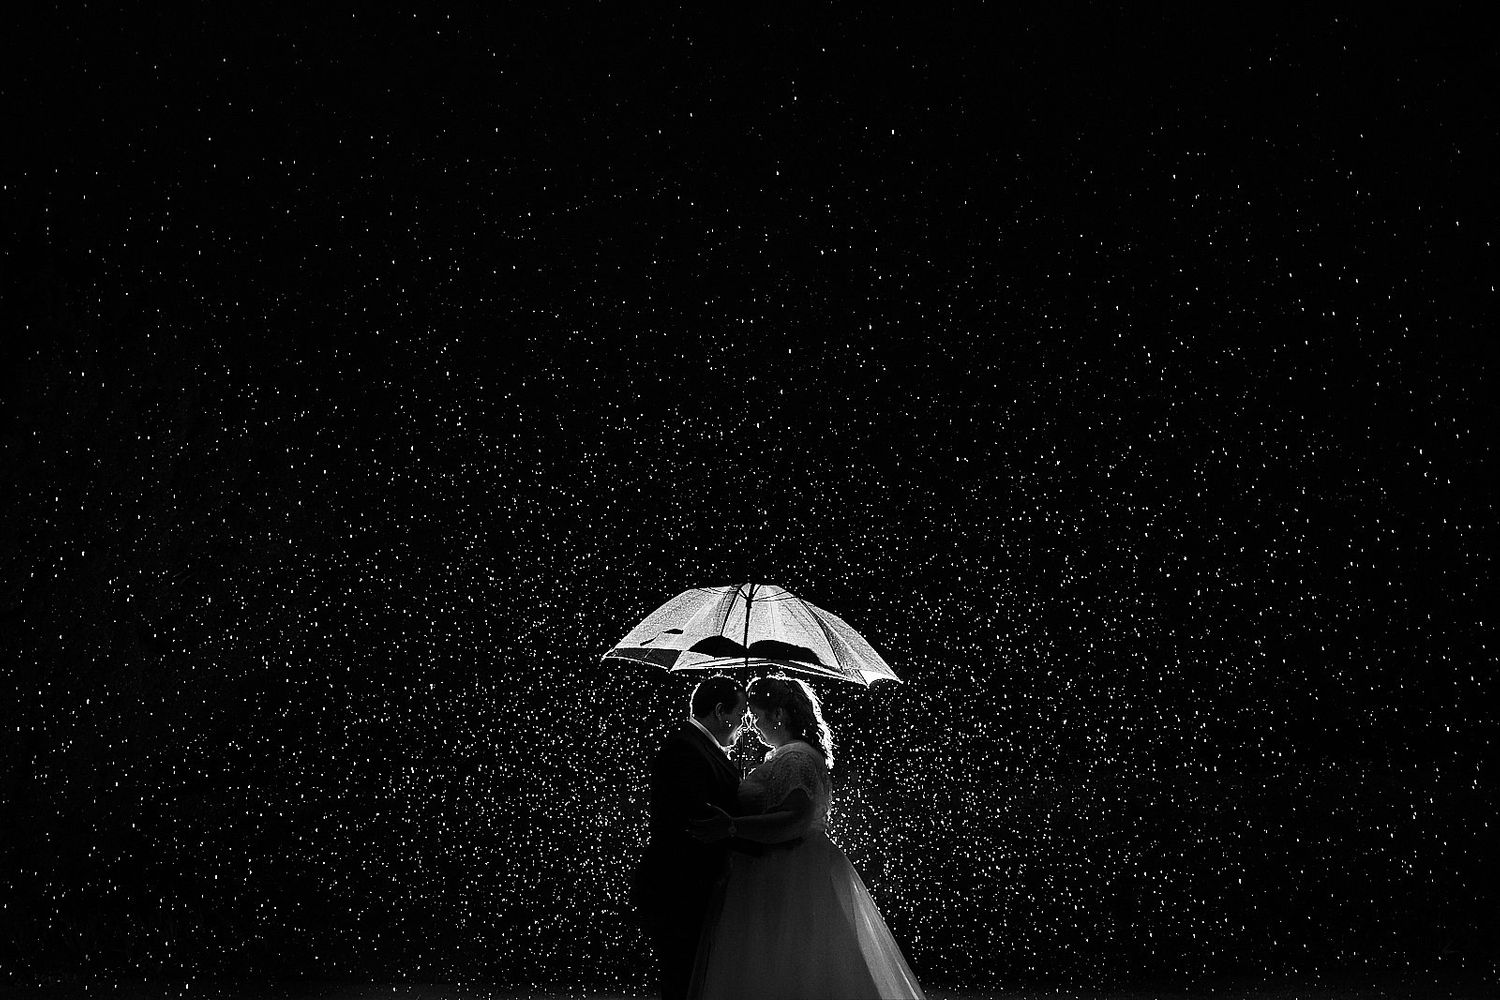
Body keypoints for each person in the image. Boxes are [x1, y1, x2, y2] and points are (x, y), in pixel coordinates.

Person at [688, 673, 925, 999]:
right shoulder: (793, 754)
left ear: (778, 715)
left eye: (756, 716)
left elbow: (795, 817)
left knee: (784, 958)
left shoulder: (794, 757)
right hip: (796, 866)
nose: (752, 726)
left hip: (787, 870)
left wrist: (732, 825)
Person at [634, 675, 752, 1000]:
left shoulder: (700, 747)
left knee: (693, 977)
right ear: (719, 711)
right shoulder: (685, 748)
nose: (744, 724)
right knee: (684, 978)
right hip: (680, 886)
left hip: (689, 884)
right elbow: (698, 818)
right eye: (741, 714)